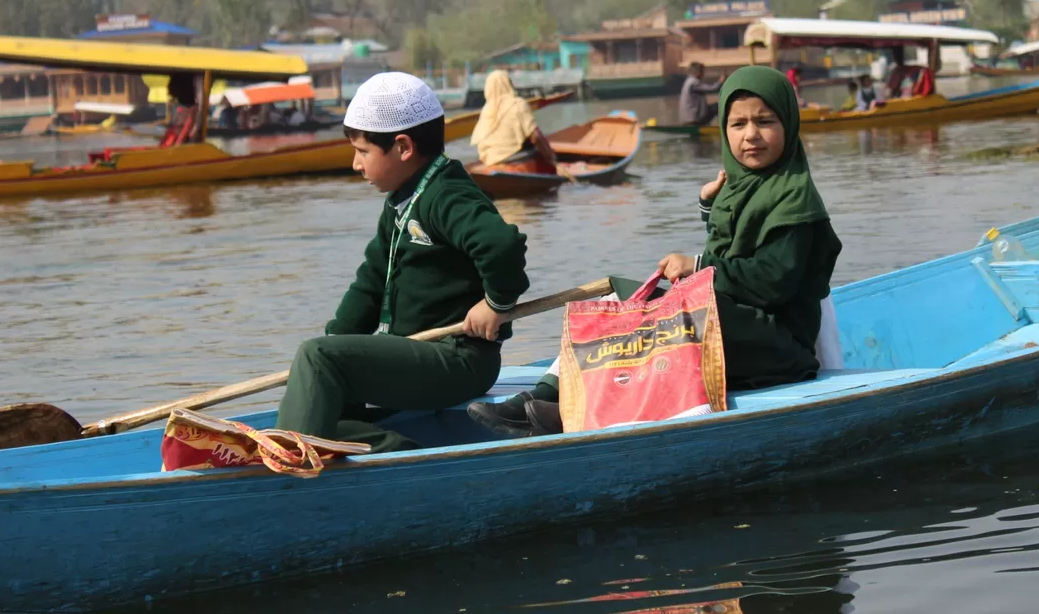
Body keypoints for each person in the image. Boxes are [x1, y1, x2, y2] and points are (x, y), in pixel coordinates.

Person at [466, 64, 842, 438]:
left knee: (665, 317)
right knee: (618, 299)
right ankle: (544, 396)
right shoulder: (739, 188)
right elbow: (734, 253)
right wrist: (710, 209)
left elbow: (773, 282)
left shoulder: (795, 197)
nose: (751, 135)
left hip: (778, 347)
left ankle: (562, 411)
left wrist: (697, 266)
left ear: (789, 125)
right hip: (739, 327)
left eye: (765, 121)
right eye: (738, 124)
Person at [273, 72, 531, 452]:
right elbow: (372, 279)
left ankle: (290, 457)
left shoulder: (445, 195)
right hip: (418, 354)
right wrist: (337, 340)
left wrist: (497, 304)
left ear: (403, 147)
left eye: (362, 152)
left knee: (318, 358)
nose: (355, 164)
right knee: (320, 370)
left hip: (457, 361)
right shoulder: (401, 200)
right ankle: (387, 447)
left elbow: (501, 245)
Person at [469, 69, 557, 173]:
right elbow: (536, 136)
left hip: (491, 164)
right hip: (519, 164)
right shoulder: (518, 104)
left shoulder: (486, 110)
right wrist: (550, 155)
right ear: (509, 84)